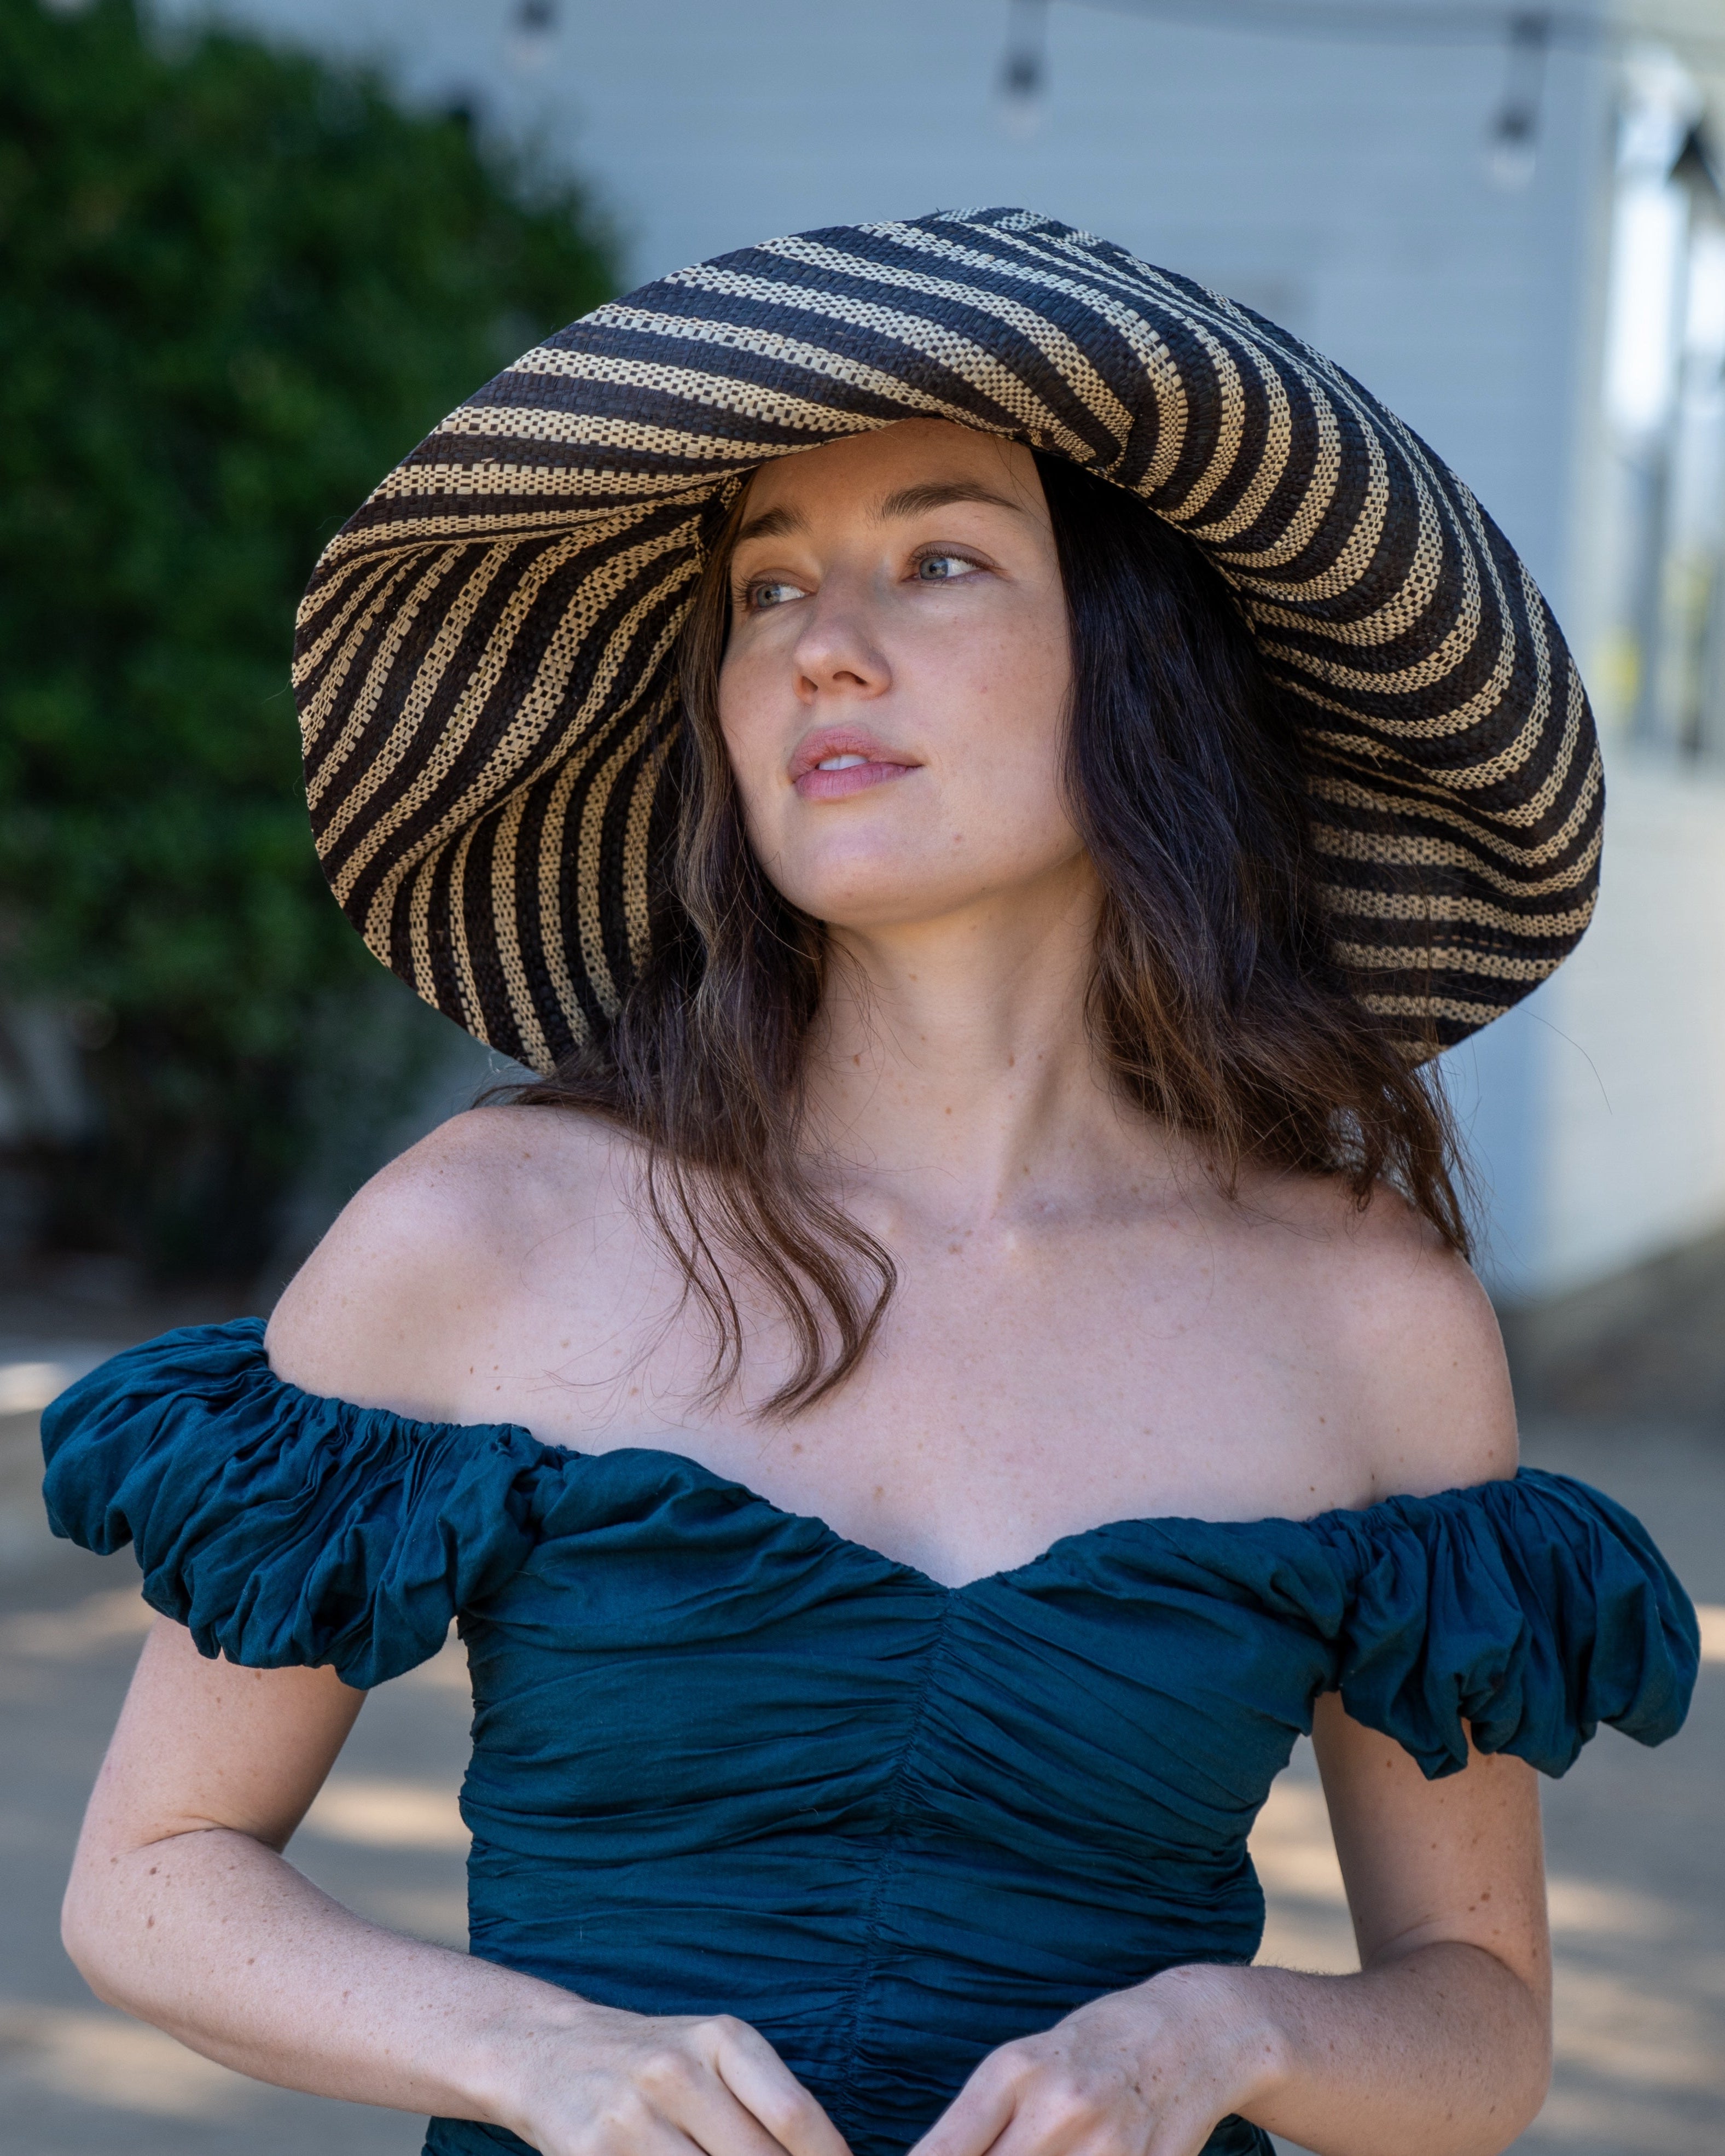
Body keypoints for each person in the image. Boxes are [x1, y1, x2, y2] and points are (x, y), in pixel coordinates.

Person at [42, 211, 1697, 2156]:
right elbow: (152, 1875)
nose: (822, 646)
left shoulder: (1371, 1321)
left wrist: (1220, 2034)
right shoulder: (478, 1236)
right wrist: (532, 2053)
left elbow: (1480, 2026)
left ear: (1140, 670)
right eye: (763, 590)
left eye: (939, 561)